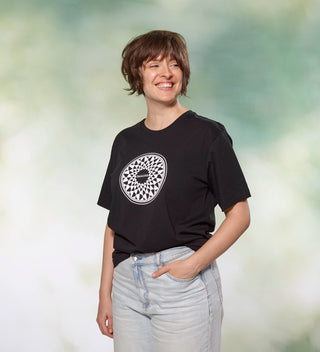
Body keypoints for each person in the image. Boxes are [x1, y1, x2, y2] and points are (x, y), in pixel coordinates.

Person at [96, 29, 251, 352]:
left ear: (184, 73)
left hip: (181, 284)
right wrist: (105, 295)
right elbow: (114, 224)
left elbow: (239, 215)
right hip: (127, 287)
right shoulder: (125, 142)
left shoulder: (207, 135)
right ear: (137, 74)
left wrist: (192, 266)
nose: (166, 74)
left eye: (174, 65)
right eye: (154, 65)